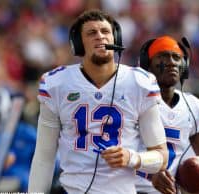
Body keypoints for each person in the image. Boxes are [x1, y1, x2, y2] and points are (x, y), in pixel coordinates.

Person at [28, 10, 168, 194]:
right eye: (92, 33)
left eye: (105, 31)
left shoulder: (138, 83)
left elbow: (161, 157)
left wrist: (132, 158)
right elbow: (44, 156)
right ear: (78, 43)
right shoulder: (58, 84)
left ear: (115, 39)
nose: (100, 36)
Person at [135, 35, 199, 194]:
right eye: (163, 56)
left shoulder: (193, 106)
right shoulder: (132, 99)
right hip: (133, 188)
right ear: (147, 65)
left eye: (176, 57)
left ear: (184, 66)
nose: (171, 62)